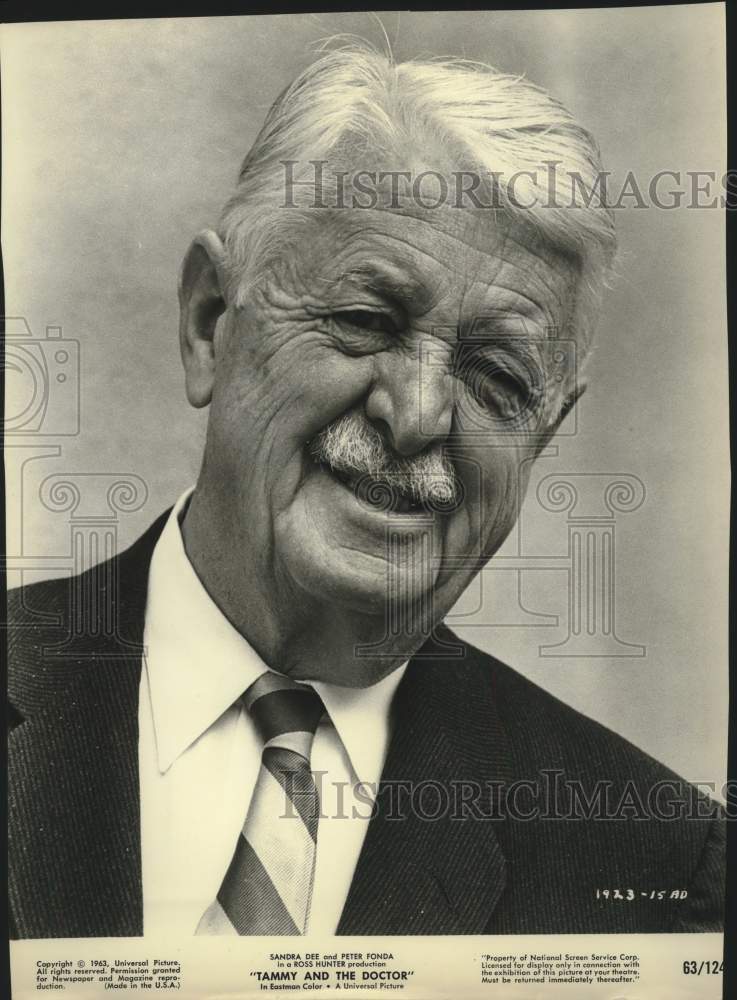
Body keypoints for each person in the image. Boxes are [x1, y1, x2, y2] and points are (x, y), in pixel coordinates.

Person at [7, 44, 725, 939]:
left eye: (494, 375)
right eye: (364, 322)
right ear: (209, 323)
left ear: (544, 430)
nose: (418, 414)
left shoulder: (661, 859)